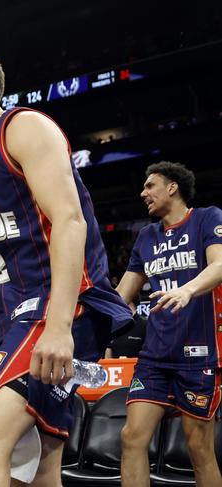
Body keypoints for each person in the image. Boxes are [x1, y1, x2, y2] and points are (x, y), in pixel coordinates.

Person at [0, 46, 132, 486]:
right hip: (19, 318)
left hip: (60, 308)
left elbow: (69, 220)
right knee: (38, 465)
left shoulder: (23, 126)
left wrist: (59, 326)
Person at [116, 161, 222, 487]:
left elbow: (219, 264)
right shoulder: (146, 237)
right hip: (154, 357)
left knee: (198, 447)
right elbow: (122, 294)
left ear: (172, 187)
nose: (142, 193)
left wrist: (187, 290)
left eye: (150, 186)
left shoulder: (207, 217)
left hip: (199, 354)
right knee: (132, 437)